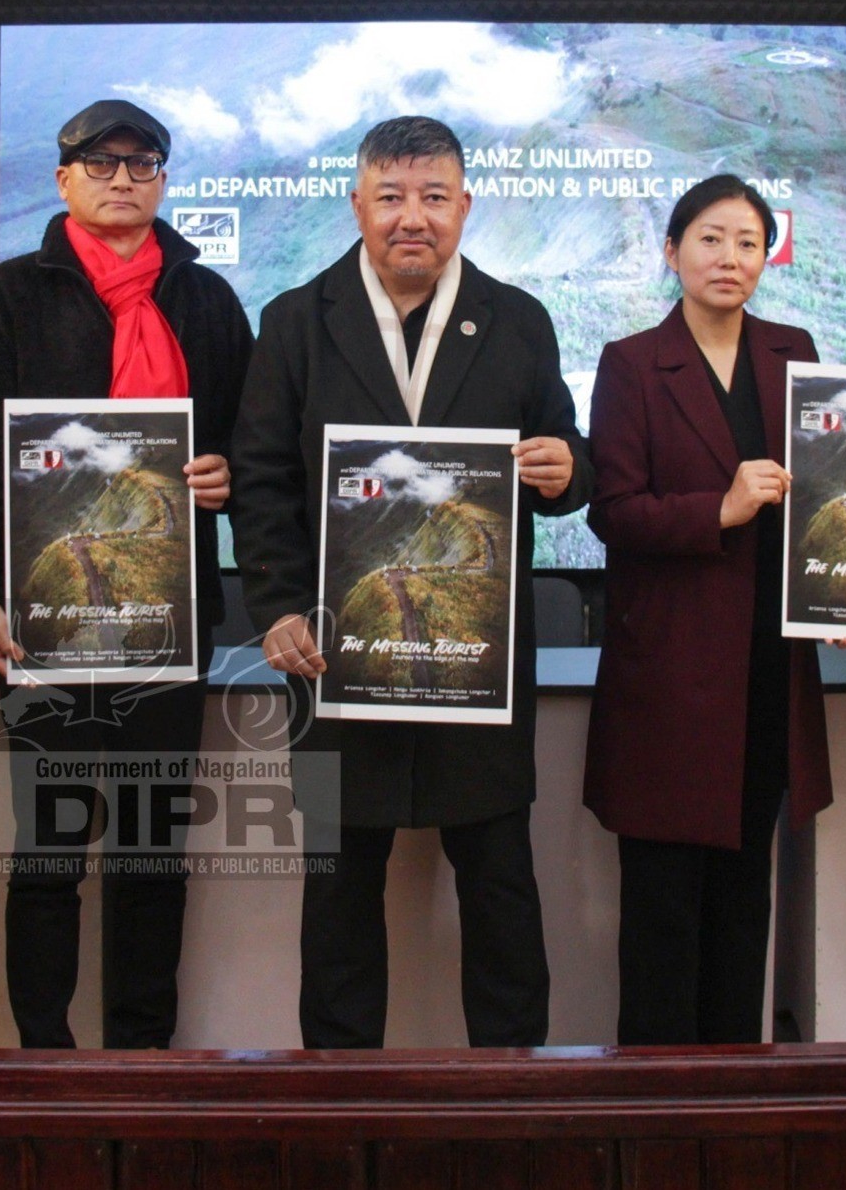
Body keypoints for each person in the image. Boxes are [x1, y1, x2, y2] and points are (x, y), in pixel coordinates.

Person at [231, 114, 593, 1050]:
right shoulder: (295, 321)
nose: (412, 217)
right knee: (339, 898)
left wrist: (567, 470)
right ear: (356, 203)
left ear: (464, 205)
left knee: (500, 888)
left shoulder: (517, 319)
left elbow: (564, 453)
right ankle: (340, 1097)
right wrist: (276, 606)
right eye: (390, 196)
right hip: (337, 654)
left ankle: (511, 1089)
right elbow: (261, 480)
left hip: (475, 658)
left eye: (433, 197)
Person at [0, 99, 254, 1049]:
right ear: (63, 178)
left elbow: (254, 442)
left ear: (163, 179)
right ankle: (44, 1057)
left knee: (151, 854)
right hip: (47, 619)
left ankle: (140, 1057)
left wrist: (230, 472)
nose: (123, 179)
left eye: (141, 162)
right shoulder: (9, 296)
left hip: (167, 621)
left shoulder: (206, 301)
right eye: (101, 162)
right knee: (45, 856)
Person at [584, 175, 831, 1045]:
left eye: (749, 243)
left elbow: (829, 493)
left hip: (765, 669)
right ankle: (654, 1096)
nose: (730, 258)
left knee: (742, 899)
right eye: (710, 239)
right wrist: (717, 510)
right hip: (669, 676)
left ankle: (735, 1087)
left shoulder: (794, 352)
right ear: (672, 251)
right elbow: (612, 512)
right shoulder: (631, 363)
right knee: (661, 907)